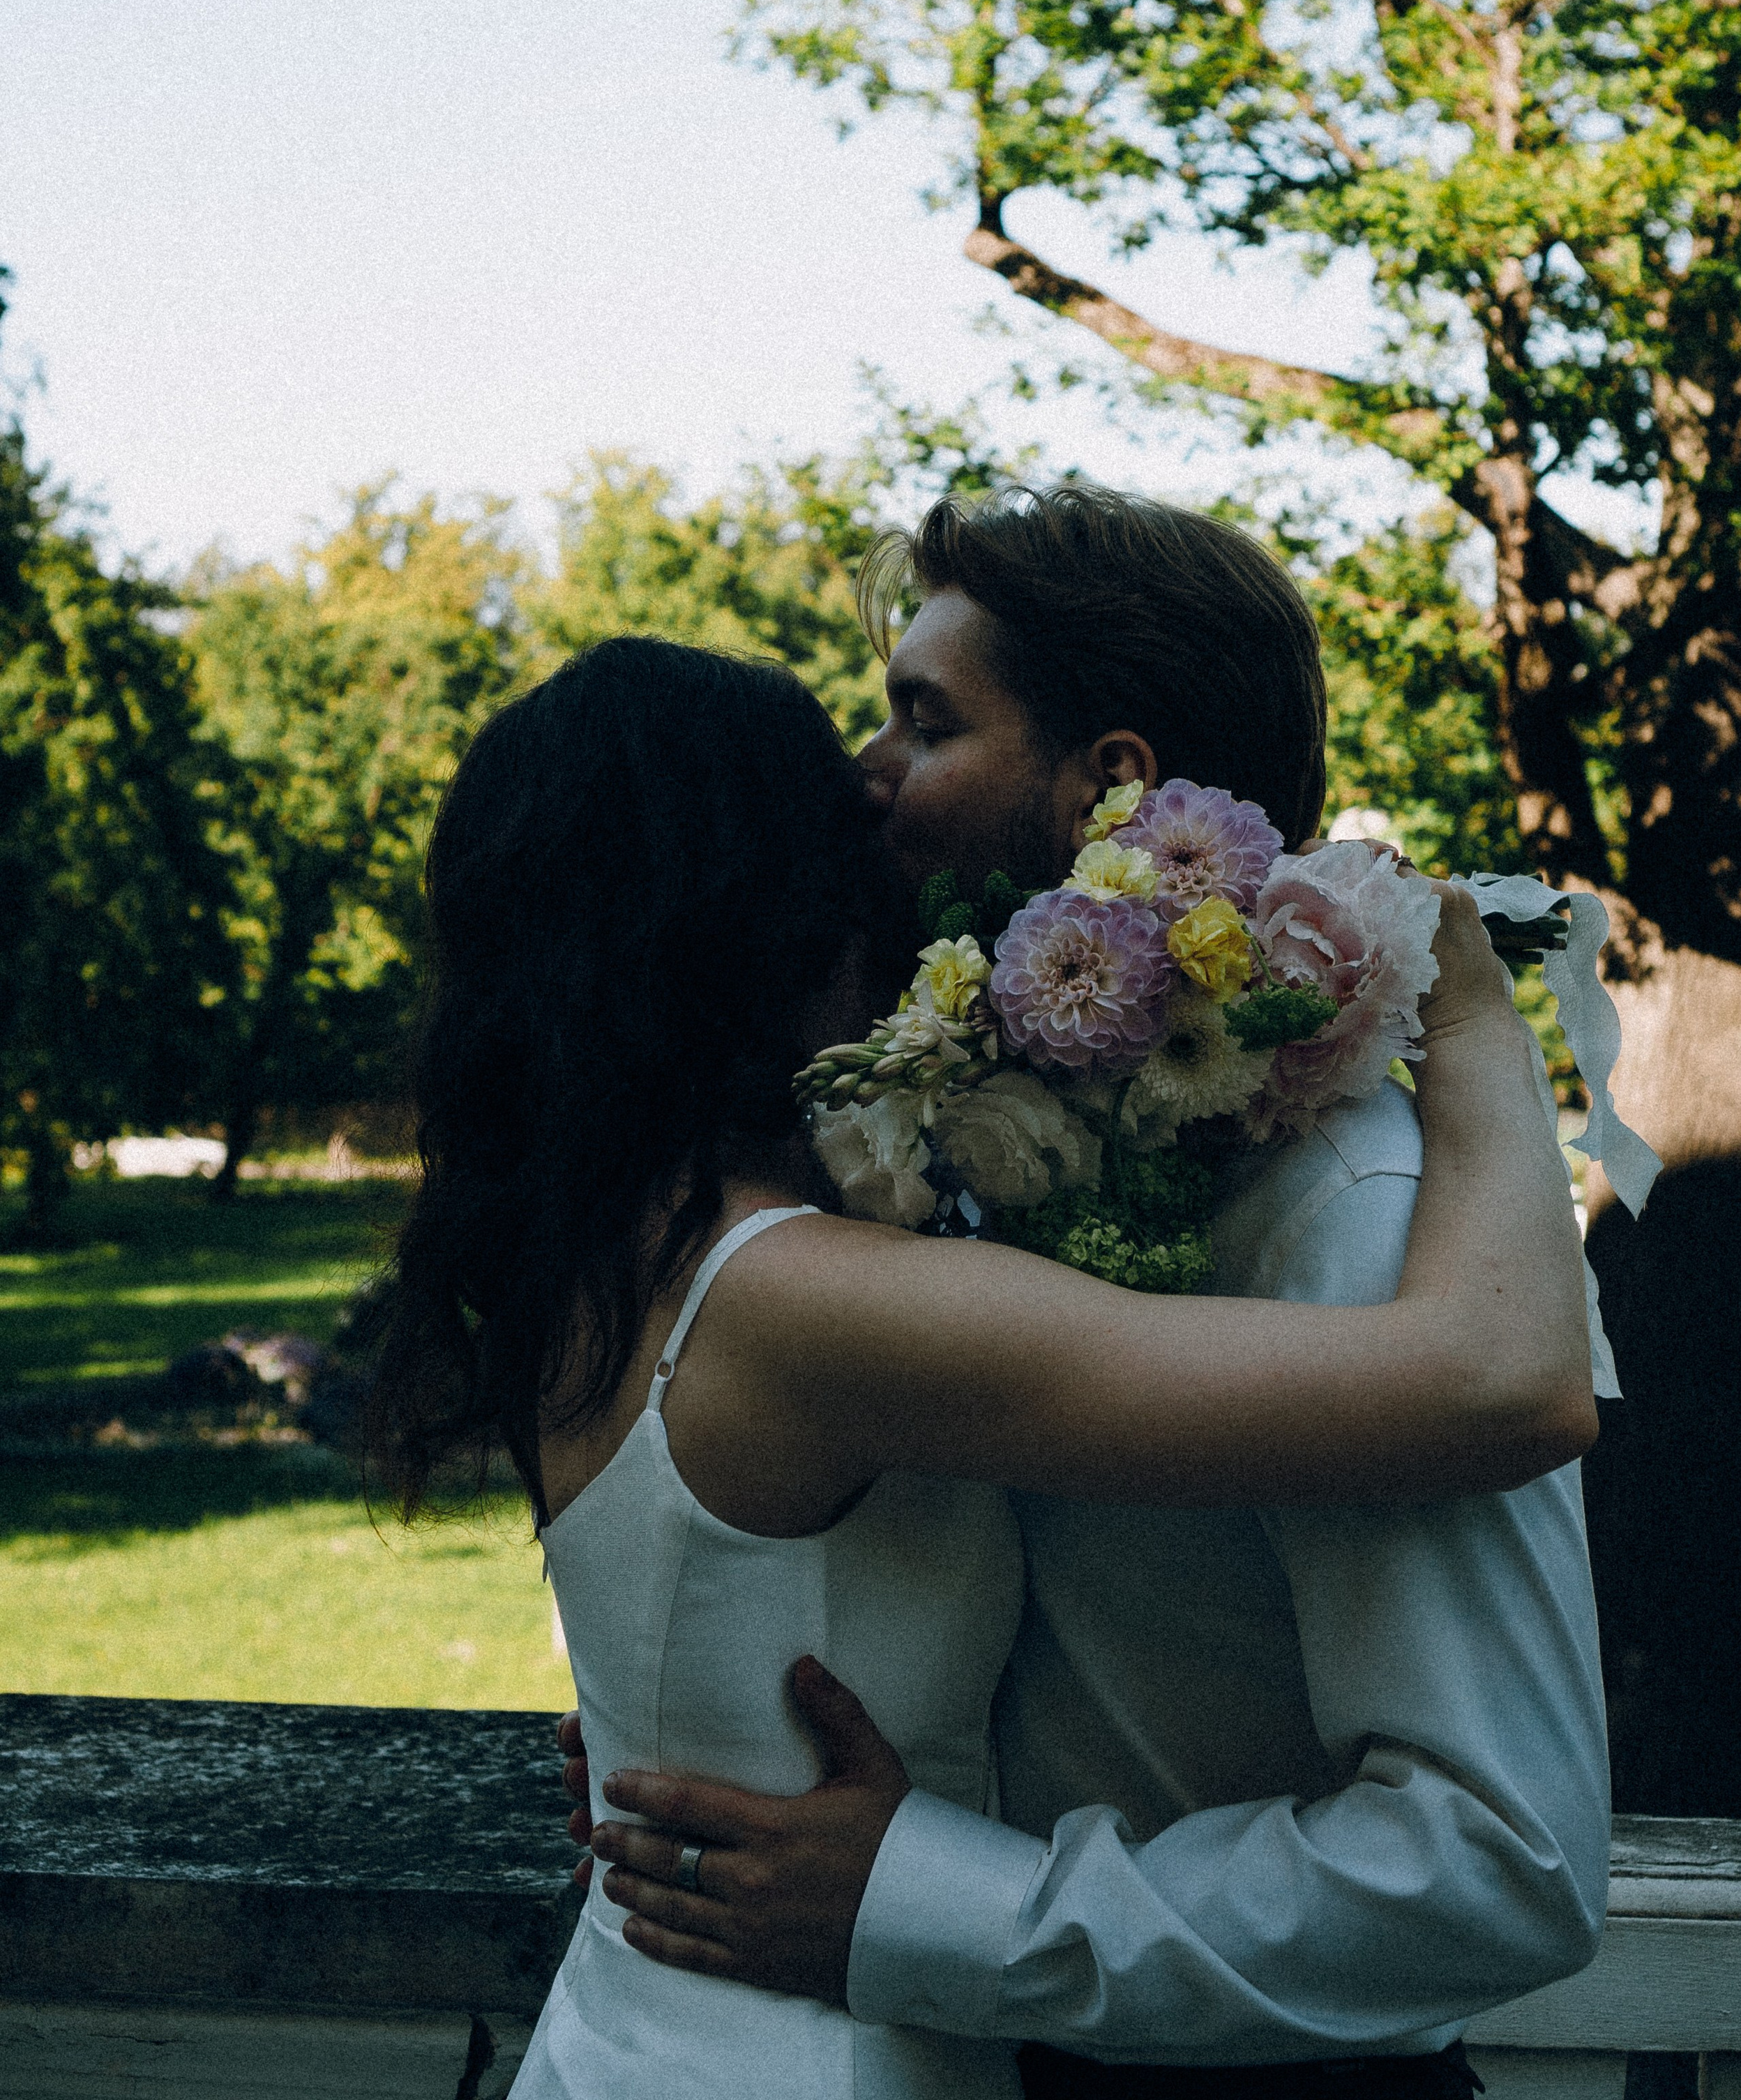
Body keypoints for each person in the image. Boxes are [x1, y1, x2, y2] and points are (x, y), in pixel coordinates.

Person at [568, 489, 1613, 2099]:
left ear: (1109, 783)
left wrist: (934, 1910)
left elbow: (1498, 1857)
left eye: (922, 720)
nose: (863, 773)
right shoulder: (977, 1162)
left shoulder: (1353, 1218)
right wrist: (711, 1723)